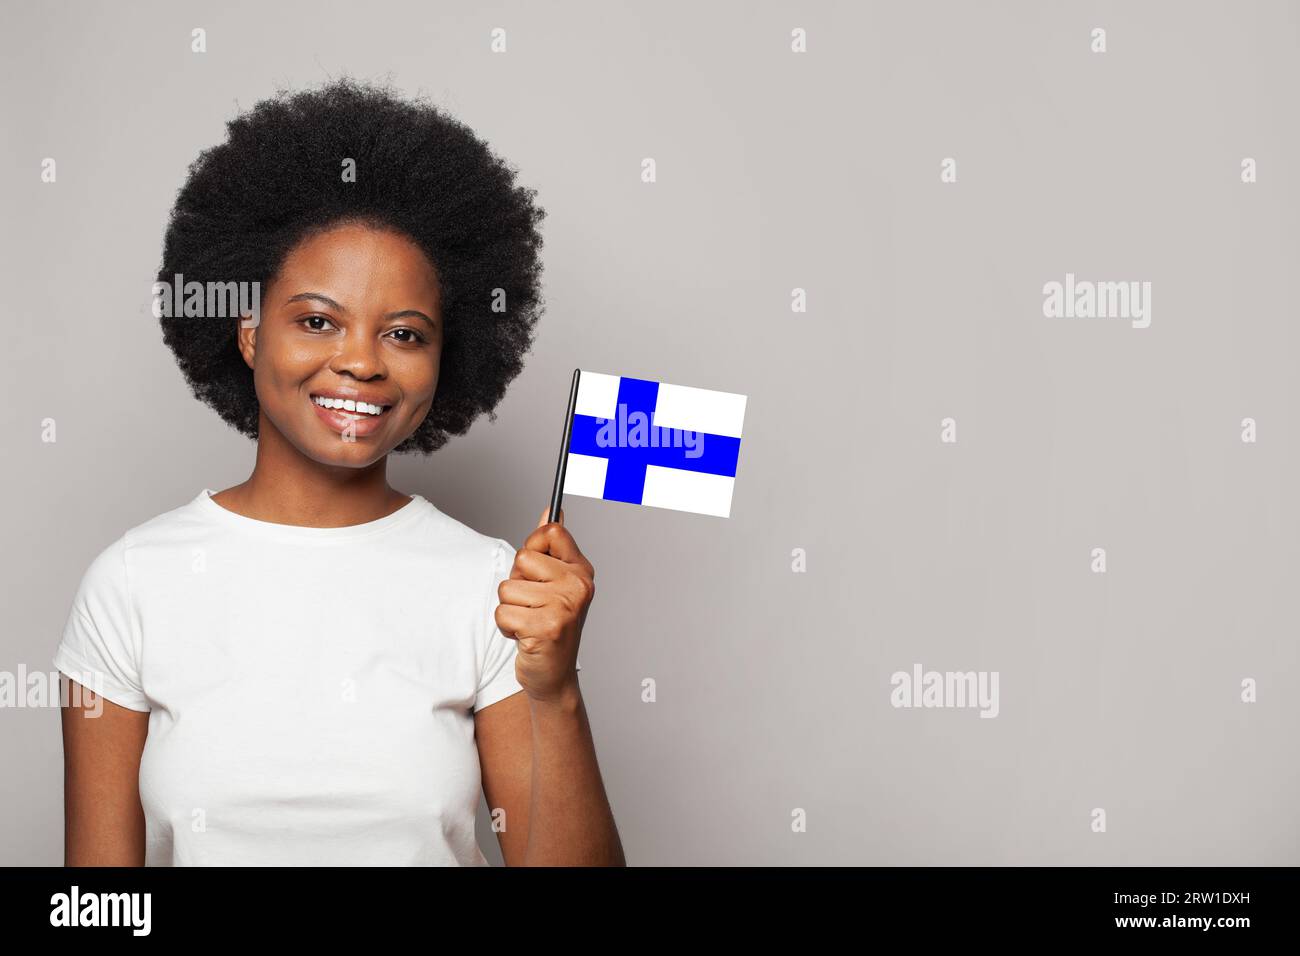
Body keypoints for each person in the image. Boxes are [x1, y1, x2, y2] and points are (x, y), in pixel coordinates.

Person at [54, 78, 625, 866]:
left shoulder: (496, 589)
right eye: (317, 321)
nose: (359, 362)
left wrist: (554, 693)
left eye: (404, 333)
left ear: (443, 360)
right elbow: (96, 908)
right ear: (249, 333)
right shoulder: (130, 584)